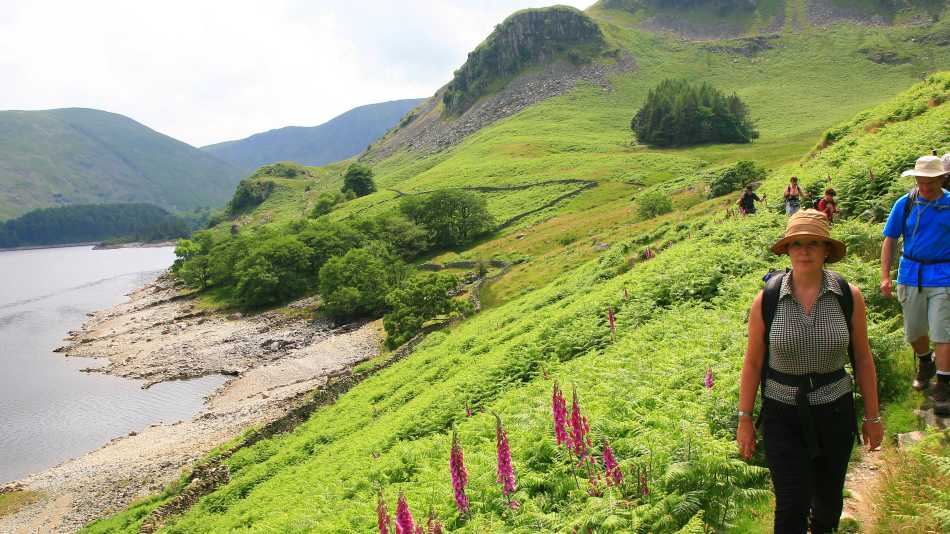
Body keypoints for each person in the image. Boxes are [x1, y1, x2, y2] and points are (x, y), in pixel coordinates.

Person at [737, 210, 883, 533]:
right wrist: (745, 418)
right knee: (790, 507)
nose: (805, 251)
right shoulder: (767, 301)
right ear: (787, 250)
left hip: (835, 413)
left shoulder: (848, 296)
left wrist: (872, 417)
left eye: (814, 244)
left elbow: (862, 358)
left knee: (828, 505)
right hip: (782, 416)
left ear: (826, 250)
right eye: (798, 243)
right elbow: (753, 362)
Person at [880, 154, 950, 415]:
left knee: (943, 331)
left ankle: (943, 385)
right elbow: (890, 239)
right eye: (921, 180)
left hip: (944, 275)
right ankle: (925, 362)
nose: (925, 185)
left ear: (942, 178)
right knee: (914, 332)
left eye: (931, 181)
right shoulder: (905, 203)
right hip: (910, 274)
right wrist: (885, 275)